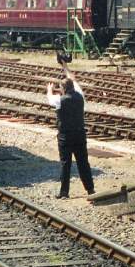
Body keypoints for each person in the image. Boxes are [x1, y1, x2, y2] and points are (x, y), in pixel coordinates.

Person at [46, 59, 95, 197]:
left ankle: (64, 192)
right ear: (72, 87)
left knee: (65, 164)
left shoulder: (59, 101)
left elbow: (50, 97)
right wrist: (65, 67)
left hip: (65, 137)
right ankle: (90, 189)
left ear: (62, 89)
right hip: (80, 134)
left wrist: (49, 89)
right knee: (83, 163)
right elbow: (72, 79)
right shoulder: (80, 96)